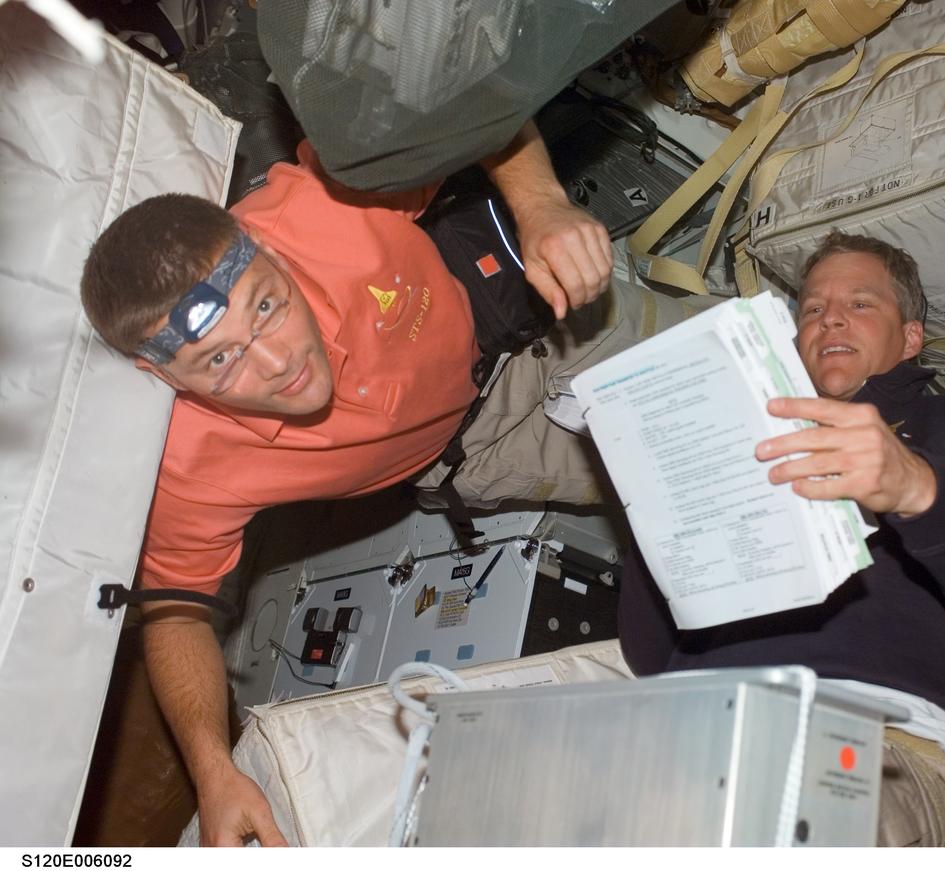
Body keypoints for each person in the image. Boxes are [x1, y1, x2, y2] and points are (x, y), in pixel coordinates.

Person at [79, 121, 702, 846]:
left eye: (268, 306)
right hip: (476, 450)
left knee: (734, 398)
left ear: (273, 251)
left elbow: (478, 105)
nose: (277, 361)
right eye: (220, 362)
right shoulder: (190, 467)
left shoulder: (323, 205)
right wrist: (213, 769)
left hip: (538, 321)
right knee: (680, 484)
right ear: (164, 379)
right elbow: (176, 614)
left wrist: (542, 208)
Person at [618, 231, 945, 846]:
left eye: (860, 303)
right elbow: (650, 653)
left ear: (910, 337)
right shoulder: (742, 445)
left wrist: (917, 487)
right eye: (811, 308)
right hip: (685, 725)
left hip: (877, 737)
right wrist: (660, 511)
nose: (829, 317)